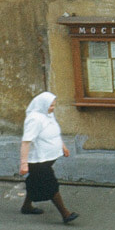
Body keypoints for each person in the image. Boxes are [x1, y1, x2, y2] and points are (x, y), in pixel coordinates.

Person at [19, 92, 78, 223]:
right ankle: (65, 214)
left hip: (48, 157)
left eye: (53, 105)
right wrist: (24, 163)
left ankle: (26, 206)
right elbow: (26, 142)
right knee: (50, 184)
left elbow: (54, 133)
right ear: (42, 104)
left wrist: (63, 146)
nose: (53, 108)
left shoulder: (48, 115)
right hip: (39, 160)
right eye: (51, 105)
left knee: (35, 180)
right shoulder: (34, 119)